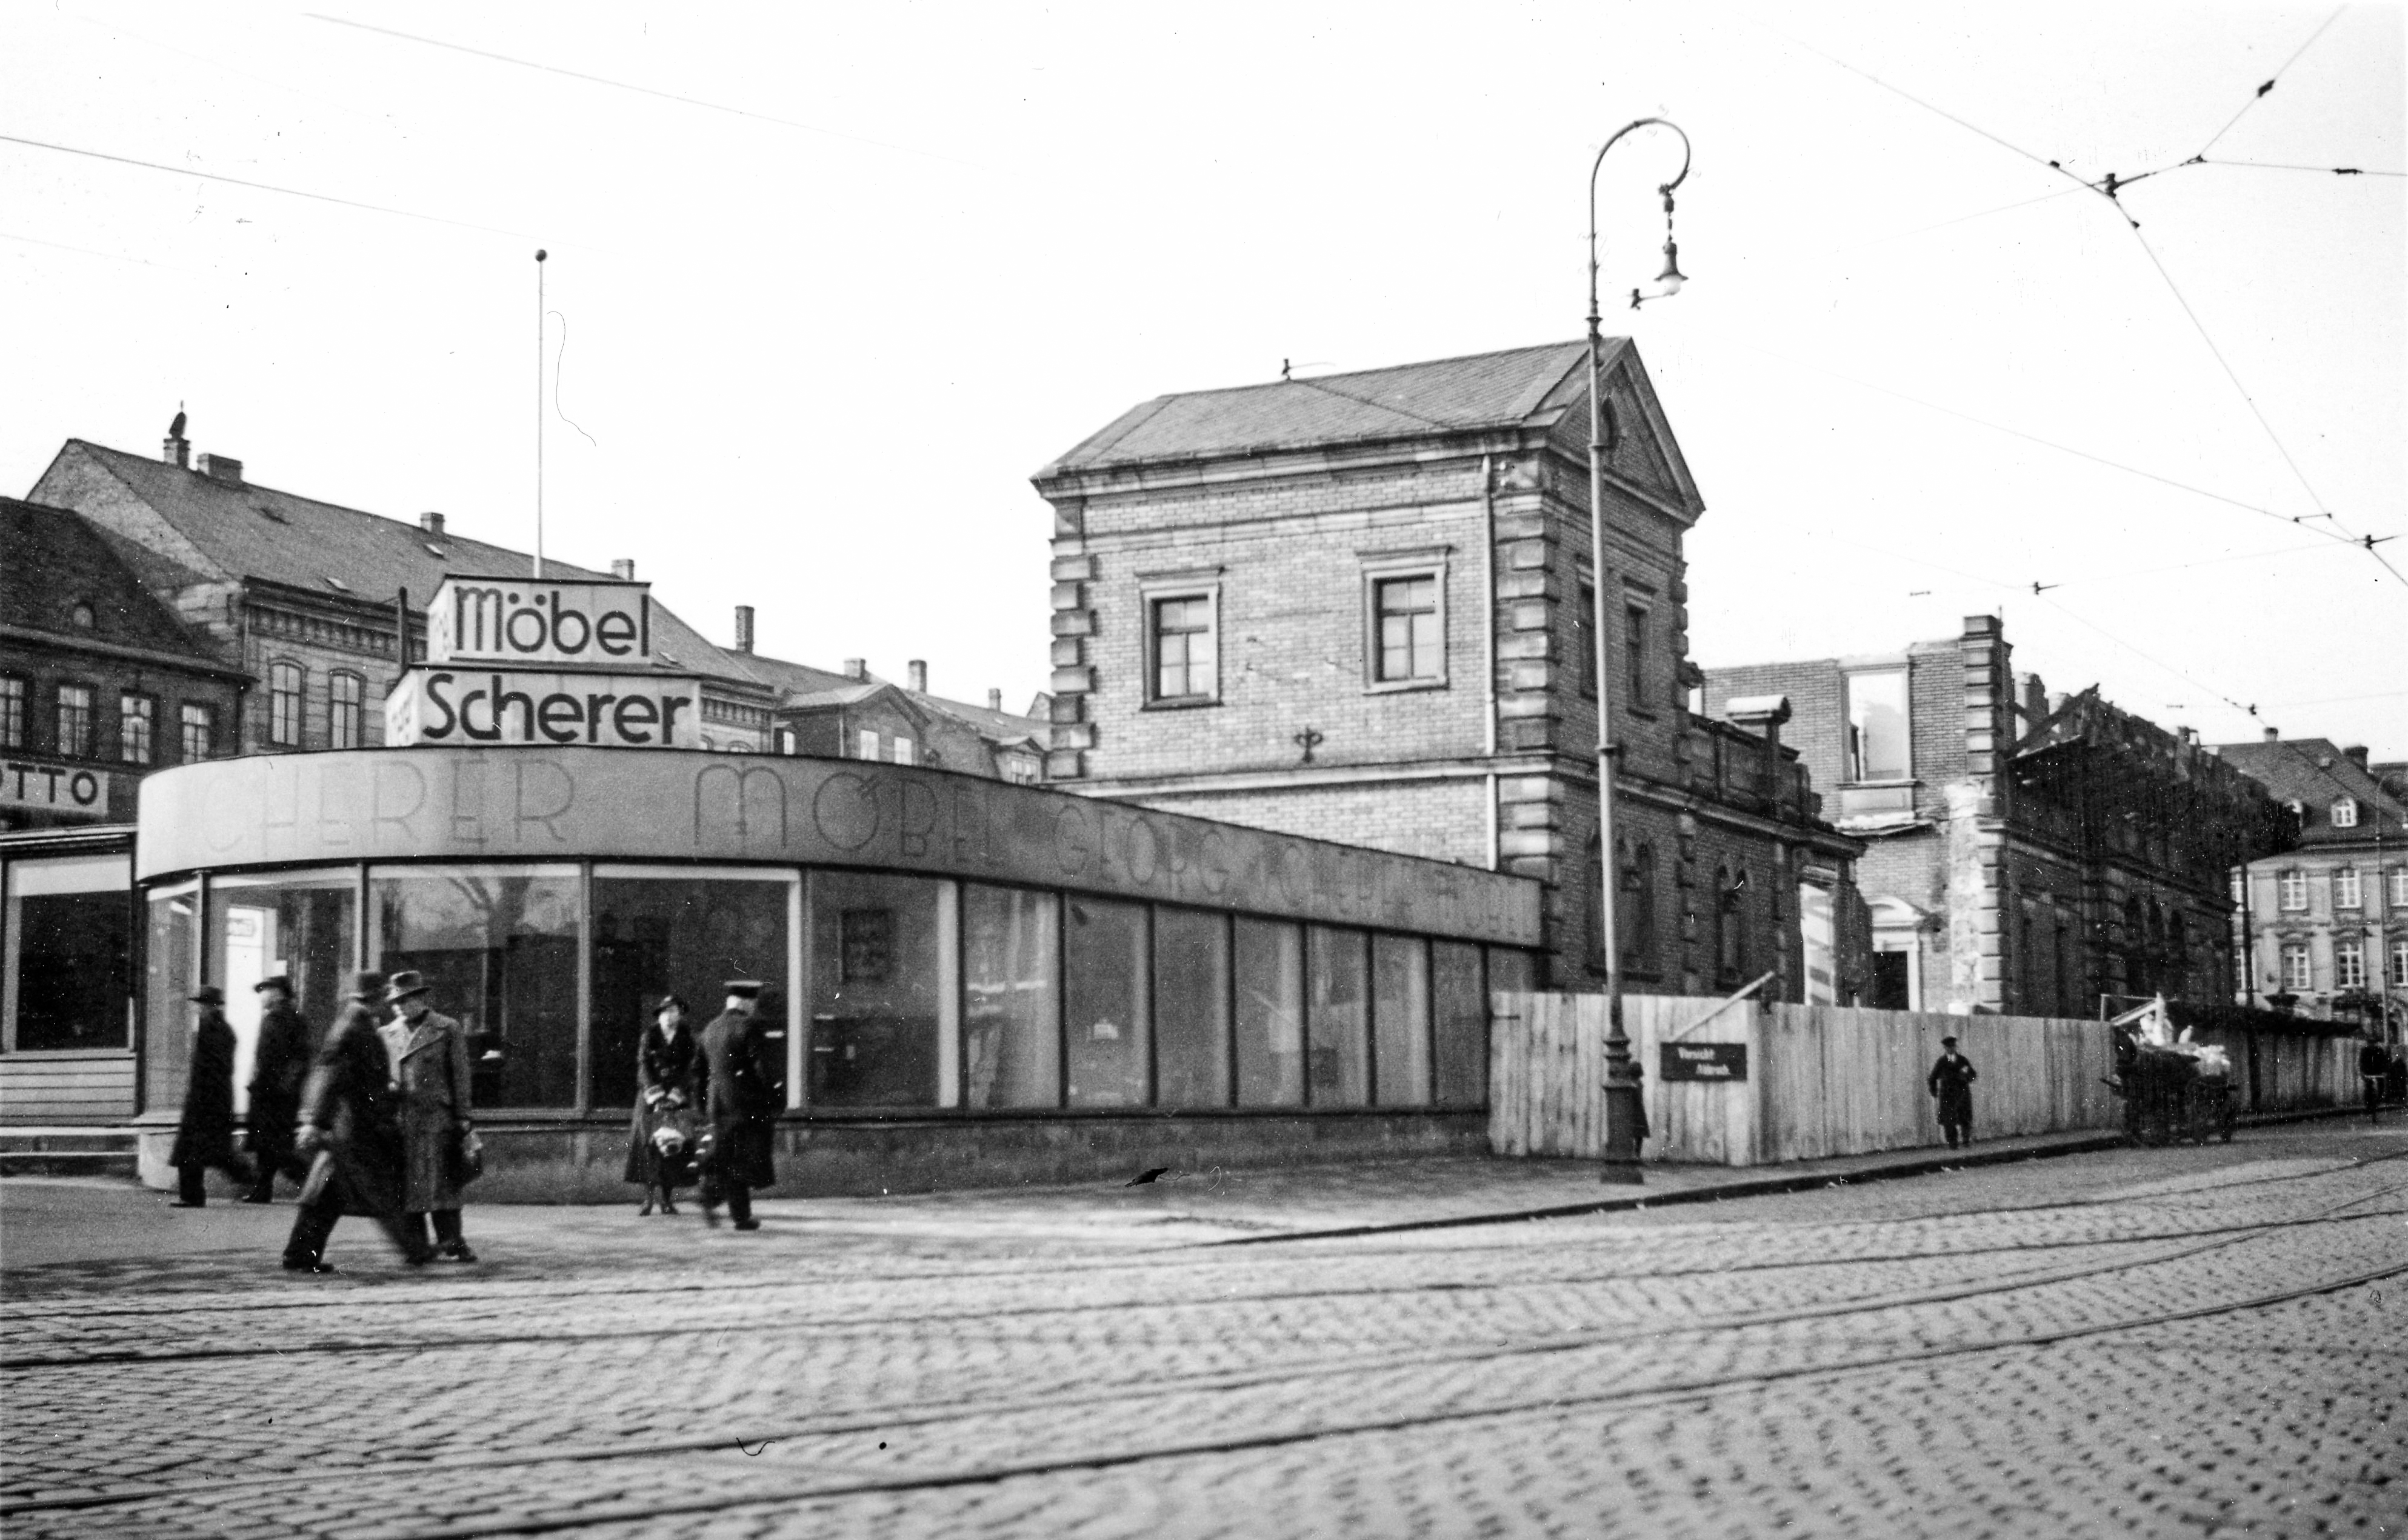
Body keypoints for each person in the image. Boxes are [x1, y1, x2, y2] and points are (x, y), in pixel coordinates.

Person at [284, 971, 430, 1273]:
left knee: (325, 1194)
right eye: (383, 997)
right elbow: (330, 1075)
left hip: (347, 1126)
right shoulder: (354, 1027)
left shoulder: (355, 1023)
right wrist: (315, 1121)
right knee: (383, 1190)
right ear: (375, 997)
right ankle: (415, 1248)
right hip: (356, 1128)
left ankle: (300, 1254)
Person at [380, 971, 478, 1263]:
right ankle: (418, 1247)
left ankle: (453, 1243)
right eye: (395, 1001)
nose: (399, 1006)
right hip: (403, 1121)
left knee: (443, 1185)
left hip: (437, 1119)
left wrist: (463, 1116)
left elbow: (460, 1075)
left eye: (405, 999)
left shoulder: (447, 1028)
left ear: (421, 998)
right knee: (408, 1189)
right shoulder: (386, 1034)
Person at [695, 981, 778, 1231]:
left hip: (717, 1104)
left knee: (726, 1157)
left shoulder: (710, 1028)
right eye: (753, 1003)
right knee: (740, 1161)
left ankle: (731, 1210)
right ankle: (720, 1203)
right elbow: (762, 1068)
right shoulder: (749, 1027)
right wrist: (774, 1096)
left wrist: (703, 1105)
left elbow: (698, 1072)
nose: (754, 1008)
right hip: (744, 1104)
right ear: (746, 1003)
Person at [170, 986, 255, 1207]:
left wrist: (198, 1097)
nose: (197, 1008)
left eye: (201, 1004)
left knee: (192, 1150)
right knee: (212, 1149)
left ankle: (193, 1195)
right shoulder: (225, 1029)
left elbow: (210, 1068)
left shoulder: (210, 1029)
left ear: (209, 1006)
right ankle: (244, 1176)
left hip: (205, 1099)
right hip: (216, 1098)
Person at [624, 994, 699, 1216]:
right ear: (659, 1016)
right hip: (650, 1101)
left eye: (673, 1011)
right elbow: (643, 1067)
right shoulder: (649, 1037)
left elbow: (690, 1069)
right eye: (665, 1012)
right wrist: (656, 1097)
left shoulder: (687, 1038)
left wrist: (676, 1095)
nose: (668, 1016)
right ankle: (648, 1200)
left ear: (680, 1015)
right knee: (648, 1149)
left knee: (673, 1148)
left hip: (676, 1099)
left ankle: (667, 1200)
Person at [242, 976, 315, 1203]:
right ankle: (261, 1190)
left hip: (274, 1095)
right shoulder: (282, 1017)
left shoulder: (283, 1018)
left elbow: (294, 1058)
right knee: (268, 1145)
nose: (261, 996)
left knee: (276, 1146)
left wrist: (280, 1086)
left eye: (264, 991)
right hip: (271, 1092)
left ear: (277, 993)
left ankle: (319, 1186)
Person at [1927, 1034, 1978, 1149]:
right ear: (1945, 1048)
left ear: (1955, 1047)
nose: (1951, 1049)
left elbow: (1973, 1074)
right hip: (1947, 1095)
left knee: (1965, 1118)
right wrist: (1934, 1091)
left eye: (1953, 1046)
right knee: (1948, 1120)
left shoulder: (1962, 1060)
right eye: (1948, 1047)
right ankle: (1952, 1143)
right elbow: (1933, 1078)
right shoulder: (1942, 1062)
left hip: (1962, 1093)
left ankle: (1966, 1140)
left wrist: (1966, 1078)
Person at [2361, 1035, 2391, 1125]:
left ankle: (2378, 1102)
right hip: (2368, 1073)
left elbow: (2384, 1062)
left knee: (2381, 1089)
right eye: (2370, 1043)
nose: (2372, 1045)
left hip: (2379, 1073)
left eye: (2373, 1043)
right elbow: (2362, 1062)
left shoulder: (2379, 1050)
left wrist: (2384, 1072)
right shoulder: (2365, 1051)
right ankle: (2368, 1106)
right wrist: (2363, 1073)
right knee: (2368, 1089)